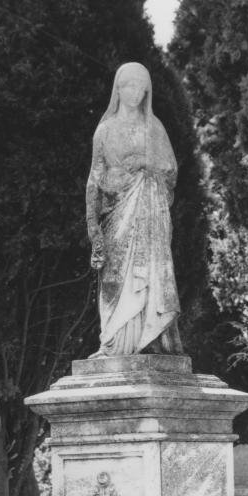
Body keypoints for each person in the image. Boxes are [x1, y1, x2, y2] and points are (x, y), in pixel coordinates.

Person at [86, 62, 182, 356]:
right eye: (129, 85)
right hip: (116, 216)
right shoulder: (104, 131)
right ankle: (114, 342)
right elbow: (95, 179)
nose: (135, 93)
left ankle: (151, 339)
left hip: (149, 213)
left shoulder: (153, 128)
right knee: (114, 280)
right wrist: (92, 224)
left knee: (149, 274)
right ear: (118, 89)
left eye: (142, 88)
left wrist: (145, 169)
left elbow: (170, 171)